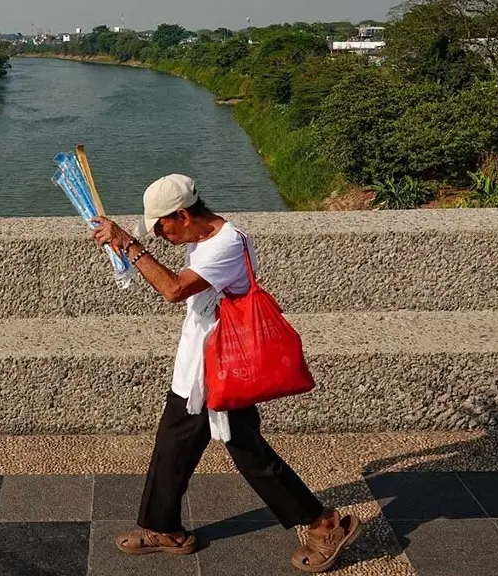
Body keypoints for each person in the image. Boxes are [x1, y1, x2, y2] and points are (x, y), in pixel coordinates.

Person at [90, 174, 362, 573]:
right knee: (173, 444)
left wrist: (130, 245)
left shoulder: (227, 244)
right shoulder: (200, 238)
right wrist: (123, 247)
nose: (159, 236)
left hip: (226, 368)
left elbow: (174, 289)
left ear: (182, 215)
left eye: (161, 227)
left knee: (250, 454)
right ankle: (164, 529)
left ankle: (325, 525)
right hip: (198, 368)